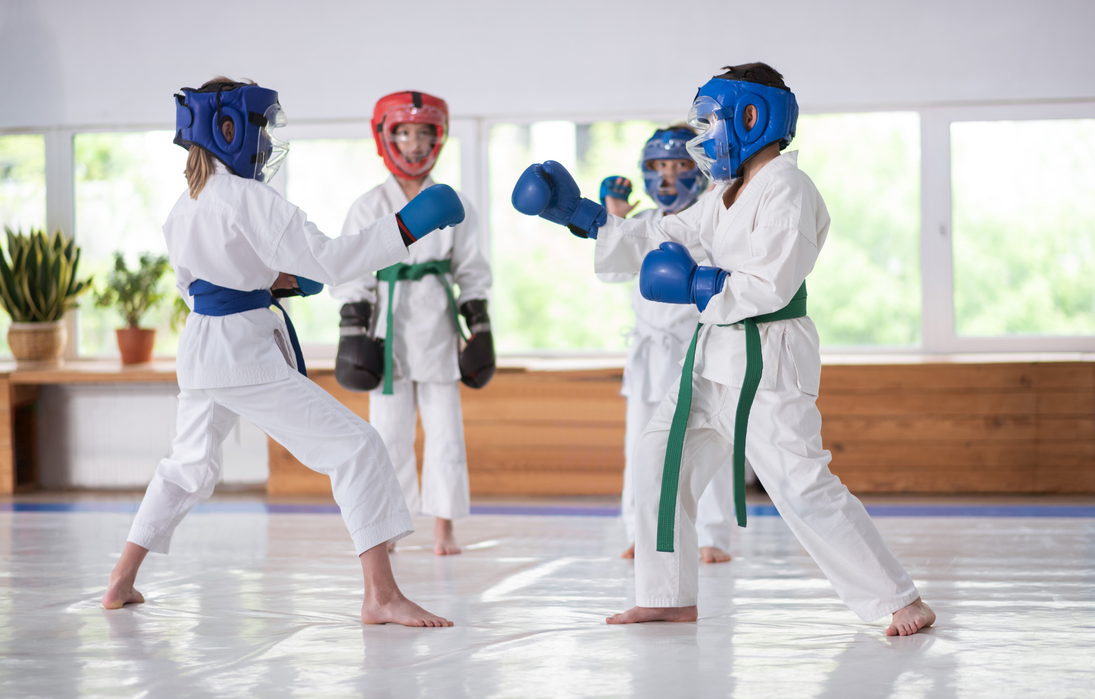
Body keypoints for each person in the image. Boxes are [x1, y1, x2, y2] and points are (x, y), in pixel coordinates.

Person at [511, 64, 935, 636]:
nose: (705, 137)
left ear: (751, 117)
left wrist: (695, 285)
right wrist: (583, 216)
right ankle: (666, 595)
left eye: (711, 122)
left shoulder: (788, 188)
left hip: (767, 355)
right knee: (660, 459)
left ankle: (899, 600)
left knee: (800, 484)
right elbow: (666, 234)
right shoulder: (722, 192)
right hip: (714, 355)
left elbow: (771, 283)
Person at [101, 78, 464, 628]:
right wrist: (410, 224)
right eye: (262, 128)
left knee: (188, 466)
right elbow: (334, 263)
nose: (268, 142)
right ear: (229, 129)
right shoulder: (252, 199)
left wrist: (271, 282)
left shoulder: (185, 203)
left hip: (201, 348)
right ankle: (382, 596)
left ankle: (120, 580)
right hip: (242, 354)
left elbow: (200, 287)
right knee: (358, 447)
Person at [332, 90, 493, 556]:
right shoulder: (368, 205)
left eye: (424, 134)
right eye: (404, 133)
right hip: (386, 332)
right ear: (387, 137)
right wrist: (352, 328)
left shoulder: (456, 203)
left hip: (438, 325)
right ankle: (390, 528)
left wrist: (479, 327)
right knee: (388, 436)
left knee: (446, 433)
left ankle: (444, 527)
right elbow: (352, 269)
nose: (415, 143)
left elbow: (471, 269)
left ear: (438, 138)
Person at [596, 127, 739, 563]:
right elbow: (611, 273)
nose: (668, 177)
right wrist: (613, 218)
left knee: (707, 441)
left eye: (679, 166)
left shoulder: (714, 219)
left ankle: (713, 534)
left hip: (699, 347)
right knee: (640, 445)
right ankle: (638, 531)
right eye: (659, 166)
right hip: (647, 354)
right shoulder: (641, 224)